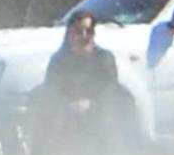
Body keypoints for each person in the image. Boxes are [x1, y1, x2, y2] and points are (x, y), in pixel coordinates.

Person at [31, 10, 134, 147]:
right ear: (69, 35)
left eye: (89, 32)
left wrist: (91, 103)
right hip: (65, 109)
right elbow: (52, 87)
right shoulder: (59, 60)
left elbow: (110, 87)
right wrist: (68, 104)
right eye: (79, 32)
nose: (84, 36)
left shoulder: (104, 58)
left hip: (99, 108)